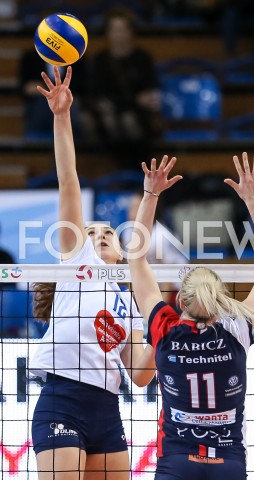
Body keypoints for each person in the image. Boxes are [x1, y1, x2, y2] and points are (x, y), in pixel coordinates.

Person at [128, 153, 254, 479]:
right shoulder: (237, 328)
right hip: (227, 462)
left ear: (180, 300)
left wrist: (150, 195)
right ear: (221, 299)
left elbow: (136, 259)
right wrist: (253, 201)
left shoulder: (165, 328)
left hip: (177, 460)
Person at [29, 66, 155, 480]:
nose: (98, 235)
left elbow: (139, 375)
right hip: (62, 399)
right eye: (91, 231)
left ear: (122, 253)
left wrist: (163, 328)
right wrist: (61, 116)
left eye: (107, 233)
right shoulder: (76, 261)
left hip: (108, 408)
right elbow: (69, 181)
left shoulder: (132, 305)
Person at [90, 8, 162, 169]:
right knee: (108, 121)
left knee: (129, 120)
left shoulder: (142, 58)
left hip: (138, 113)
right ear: (108, 33)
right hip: (109, 112)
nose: (119, 34)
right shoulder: (101, 60)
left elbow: (151, 88)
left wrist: (149, 98)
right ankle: (119, 169)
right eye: (115, 30)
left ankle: (137, 169)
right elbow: (95, 91)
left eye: (123, 29)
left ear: (131, 32)